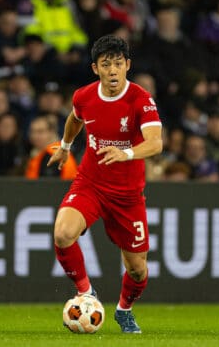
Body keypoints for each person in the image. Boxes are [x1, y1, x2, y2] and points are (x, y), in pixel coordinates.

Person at [47, 35, 162, 334]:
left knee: (137, 270)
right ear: (95, 68)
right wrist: (65, 145)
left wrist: (126, 153)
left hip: (127, 196)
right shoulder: (84, 96)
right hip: (91, 184)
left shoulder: (140, 99)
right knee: (62, 234)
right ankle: (86, 293)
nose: (113, 70)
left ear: (127, 66)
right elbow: (75, 118)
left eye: (118, 64)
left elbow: (155, 143)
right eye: (106, 64)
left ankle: (124, 311)